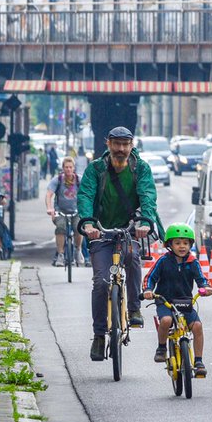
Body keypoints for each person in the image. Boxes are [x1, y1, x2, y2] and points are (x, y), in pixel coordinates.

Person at [78, 126, 158, 363]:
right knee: (101, 283)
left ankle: (134, 308)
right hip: (100, 233)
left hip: (128, 230)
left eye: (125, 144)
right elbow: (85, 196)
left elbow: (148, 196)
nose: (121, 149)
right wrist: (88, 224)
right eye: (117, 144)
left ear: (132, 145)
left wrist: (145, 220)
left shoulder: (140, 168)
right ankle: (99, 335)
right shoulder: (96, 169)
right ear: (108, 144)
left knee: (133, 258)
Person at [143, 223, 211, 375]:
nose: (182, 246)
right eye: (178, 243)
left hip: (185, 301)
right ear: (169, 245)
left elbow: (201, 279)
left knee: (197, 327)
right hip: (164, 300)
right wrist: (148, 290)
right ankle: (161, 348)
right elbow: (150, 277)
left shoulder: (192, 262)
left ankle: (198, 361)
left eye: (186, 243)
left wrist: (206, 287)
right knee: (166, 321)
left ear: (190, 245)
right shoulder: (163, 261)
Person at [46, 156, 85, 267]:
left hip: (76, 211)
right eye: (66, 167)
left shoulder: (79, 179)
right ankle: (61, 255)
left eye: (70, 167)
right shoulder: (57, 180)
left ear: (74, 168)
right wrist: (50, 208)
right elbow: (49, 195)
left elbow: (87, 194)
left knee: (79, 227)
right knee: (60, 228)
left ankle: (78, 250)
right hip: (60, 211)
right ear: (63, 168)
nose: (68, 169)